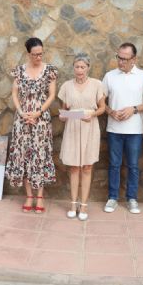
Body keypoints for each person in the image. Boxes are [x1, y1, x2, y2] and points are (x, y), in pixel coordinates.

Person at [5, 37, 58, 213]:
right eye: (35, 54)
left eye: (41, 54)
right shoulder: (20, 71)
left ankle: (40, 196)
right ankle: (29, 195)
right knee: (24, 155)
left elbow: (51, 95)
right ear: (28, 54)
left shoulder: (49, 70)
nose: (38, 57)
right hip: (22, 118)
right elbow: (14, 93)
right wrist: (21, 112)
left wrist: (38, 112)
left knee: (39, 154)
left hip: (40, 119)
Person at [101, 43, 143, 214]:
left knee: (133, 166)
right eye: (119, 57)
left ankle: (132, 198)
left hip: (135, 130)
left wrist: (134, 109)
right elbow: (100, 100)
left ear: (134, 59)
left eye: (124, 59)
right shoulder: (109, 76)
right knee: (114, 165)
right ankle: (113, 198)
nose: (121, 62)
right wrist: (110, 111)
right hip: (114, 129)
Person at [58, 53, 106, 221]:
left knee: (86, 167)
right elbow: (63, 110)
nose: (79, 70)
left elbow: (102, 108)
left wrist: (92, 114)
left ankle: (84, 205)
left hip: (89, 126)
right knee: (73, 167)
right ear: (73, 68)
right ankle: (73, 203)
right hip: (72, 127)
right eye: (77, 67)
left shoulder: (97, 84)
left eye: (83, 67)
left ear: (88, 68)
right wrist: (63, 116)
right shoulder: (66, 86)